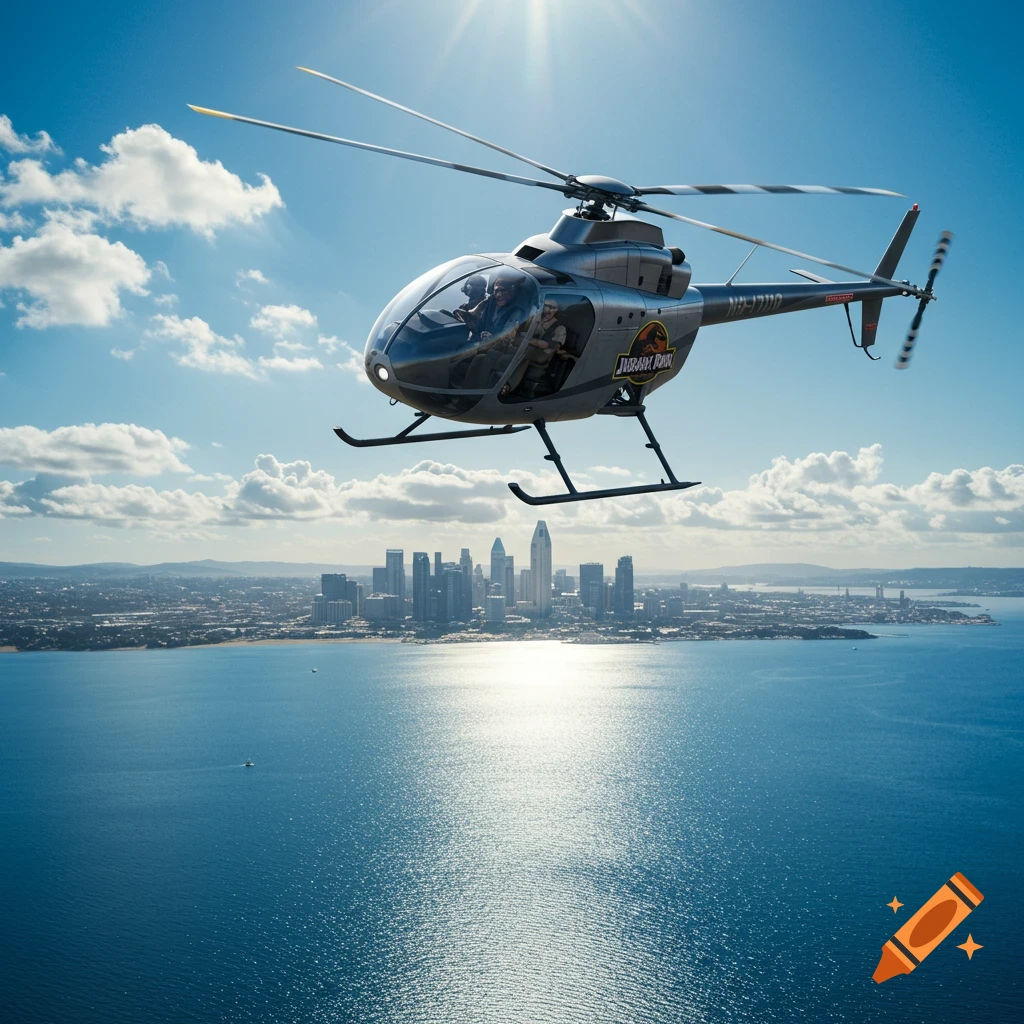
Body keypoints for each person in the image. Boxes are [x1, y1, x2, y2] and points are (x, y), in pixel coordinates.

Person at [457, 271, 531, 389]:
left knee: (479, 360)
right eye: (496, 291)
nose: (499, 295)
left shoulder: (516, 311)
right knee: (456, 355)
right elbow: (480, 325)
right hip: (482, 343)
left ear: (511, 292)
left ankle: (471, 395)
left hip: (501, 348)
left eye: (503, 291)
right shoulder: (491, 304)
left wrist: (491, 338)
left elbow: (508, 337)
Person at [502, 297, 570, 397]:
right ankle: (503, 382)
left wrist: (529, 340)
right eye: (545, 306)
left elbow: (548, 345)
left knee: (526, 351)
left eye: (551, 307)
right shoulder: (535, 320)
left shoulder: (559, 327)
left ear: (556, 310)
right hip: (529, 351)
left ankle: (508, 386)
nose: (547, 310)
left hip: (544, 355)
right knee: (521, 355)